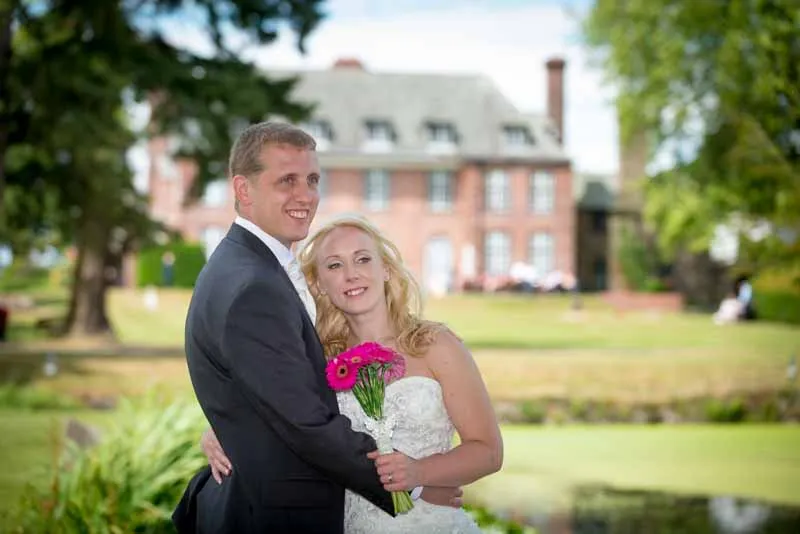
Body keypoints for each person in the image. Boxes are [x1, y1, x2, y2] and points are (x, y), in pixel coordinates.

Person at [172, 122, 461, 534]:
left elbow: (271, 389)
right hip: (274, 517)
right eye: (287, 180)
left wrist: (233, 425)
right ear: (243, 189)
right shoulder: (254, 285)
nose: (305, 195)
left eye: (311, 180)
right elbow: (306, 423)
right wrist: (408, 489)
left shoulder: (239, 267)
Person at [200, 214, 504, 533]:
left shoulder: (435, 345)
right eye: (334, 265)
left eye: (362, 259)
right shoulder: (315, 358)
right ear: (318, 284)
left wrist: (420, 472)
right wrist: (219, 431)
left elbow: (488, 451)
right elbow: (281, 419)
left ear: (385, 269)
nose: (351, 275)